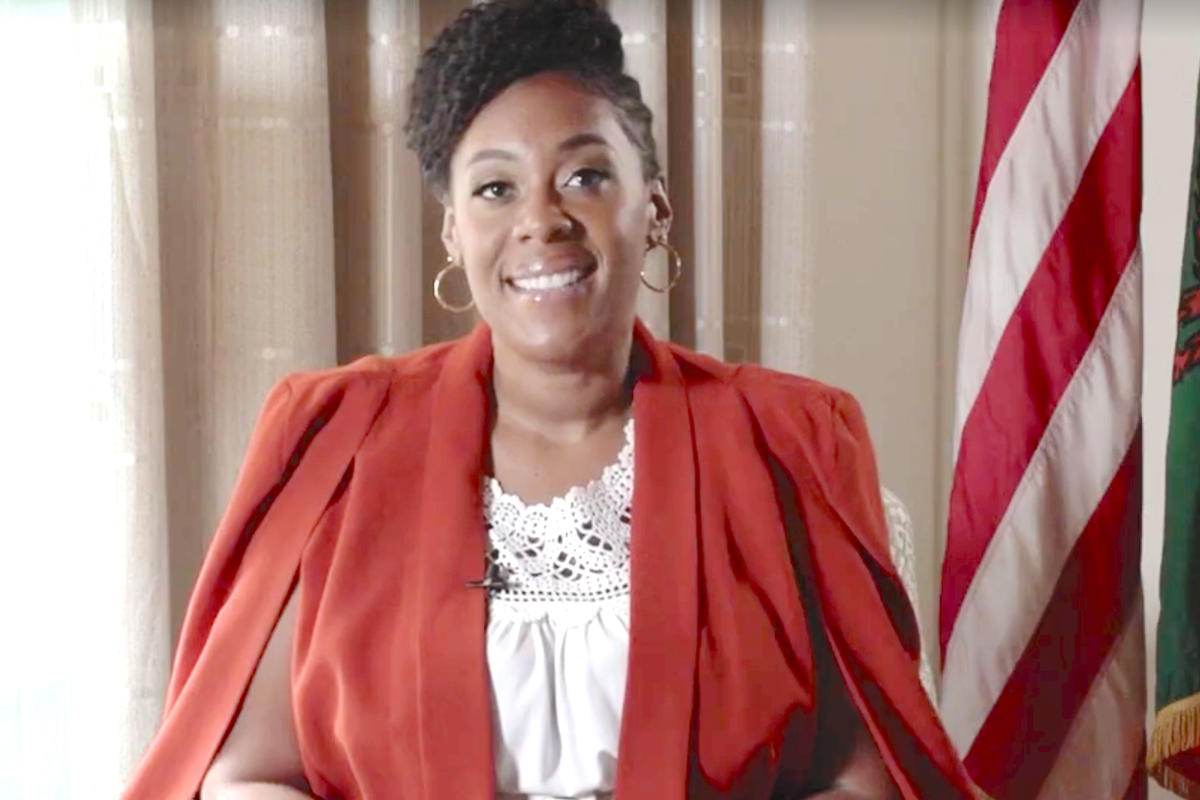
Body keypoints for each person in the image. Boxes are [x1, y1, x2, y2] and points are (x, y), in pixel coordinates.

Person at [123, 1, 985, 799]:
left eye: (584, 177)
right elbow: (247, 775)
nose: (542, 220)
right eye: (496, 188)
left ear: (653, 207)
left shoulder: (789, 442)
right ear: (454, 231)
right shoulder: (339, 440)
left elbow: (868, 778)